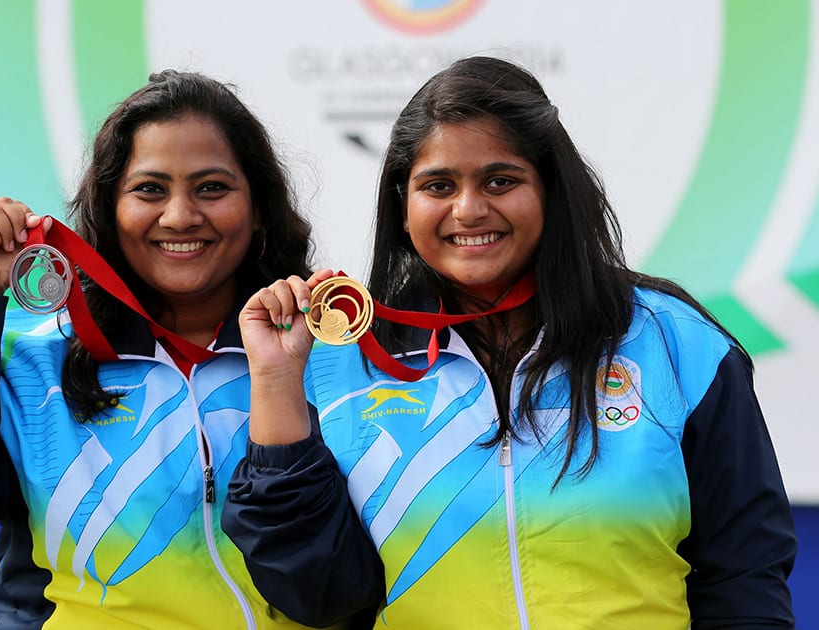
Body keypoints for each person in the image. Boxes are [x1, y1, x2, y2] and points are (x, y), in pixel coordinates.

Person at [221, 56, 798, 628]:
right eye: (438, 185)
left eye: (501, 180)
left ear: (551, 189)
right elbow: (319, 597)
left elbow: (744, 574)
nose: (469, 209)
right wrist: (275, 381)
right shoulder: (344, 361)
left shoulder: (676, 344)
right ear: (403, 204)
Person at [0, 70, 362, 628]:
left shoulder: (337, 359)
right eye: (149, 190)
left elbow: (347, 582)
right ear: (108, 209)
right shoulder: (36, 367)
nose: (181, 216)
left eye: (212, 187)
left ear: (259, 207)